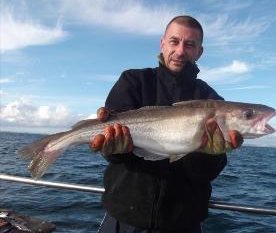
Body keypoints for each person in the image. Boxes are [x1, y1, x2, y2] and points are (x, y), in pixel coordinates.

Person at [90, 16, 244, 233]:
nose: (181, 51)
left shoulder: (211, 98)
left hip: (183, 222)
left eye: (190, 44)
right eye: (174, 41)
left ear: (199, 51)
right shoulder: (133, 81)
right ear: (162, 44)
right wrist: (113, 148)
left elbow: (207, 174)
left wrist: (207, 154)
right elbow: (115, 156)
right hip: (124, 217)